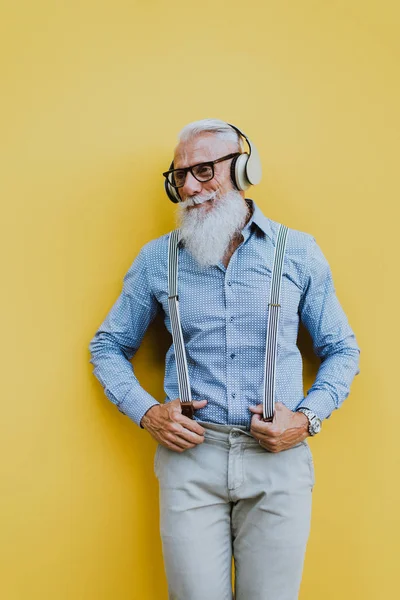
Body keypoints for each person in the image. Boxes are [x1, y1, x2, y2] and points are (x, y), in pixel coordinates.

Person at [89, 119, 360, 600]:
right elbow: (107, 345)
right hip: (191, 461)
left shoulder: (296, 251)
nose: (191, 187)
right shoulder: (158, 259)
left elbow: (342, 349)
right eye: (180, 176)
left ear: (244, 169)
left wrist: (308, 419)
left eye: (205, 170)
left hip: (278, 465)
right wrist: (149, 413)